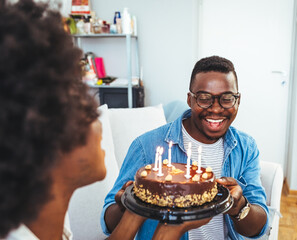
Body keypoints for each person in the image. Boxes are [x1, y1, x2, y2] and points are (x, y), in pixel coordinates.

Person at [0, 1, 207, 239]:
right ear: (40, 133)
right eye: (83, 104)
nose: (99, 122)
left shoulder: (44, 219)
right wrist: (170, 230)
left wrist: (138, 208)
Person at [101, 55, 269, 240]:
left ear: (238, 100)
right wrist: (129, 204)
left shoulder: (246, 147)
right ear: (189, 99)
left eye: (227, 98)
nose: (215, 109)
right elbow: (109, 222)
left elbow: (258, 228)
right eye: (204, 98)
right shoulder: (145, 146)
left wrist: (240, 206)